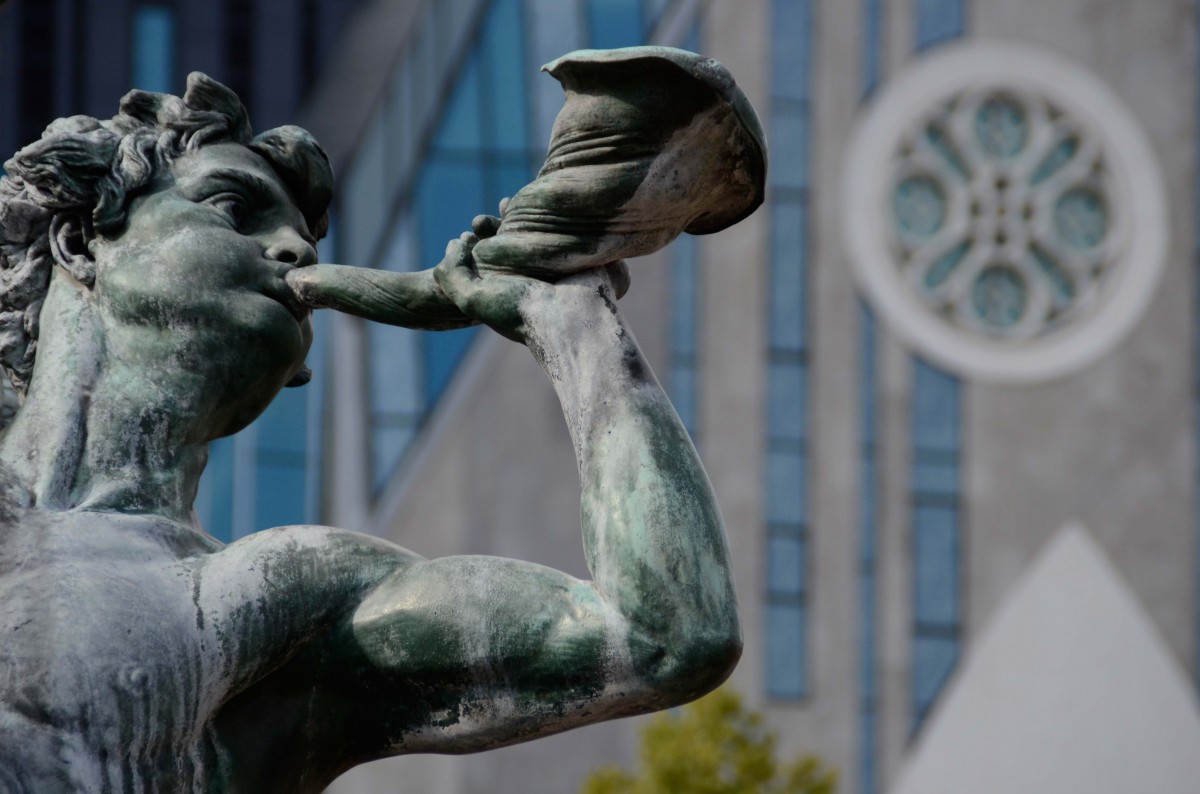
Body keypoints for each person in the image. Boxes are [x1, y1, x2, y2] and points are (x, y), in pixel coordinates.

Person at [0, 73, 739, 792]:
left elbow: (664, 638)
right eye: (233, 206)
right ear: (78, 240)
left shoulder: (289, 596)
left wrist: (572, 321)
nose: (295, 251)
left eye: (303, 238)